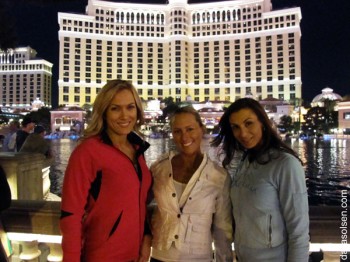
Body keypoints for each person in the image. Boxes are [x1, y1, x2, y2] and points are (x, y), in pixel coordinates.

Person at [60, 79, 152, 262]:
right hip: (102, 256)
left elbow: (140, 201)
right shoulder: (88, 152)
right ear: (104, 112)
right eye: (115, 108)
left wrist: (147, 237)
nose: (124, 115)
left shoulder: (137, 150)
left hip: (134, 256)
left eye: (130, 107)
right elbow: (71, 213)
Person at [211, 98, 309, 262]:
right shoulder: (244, 161)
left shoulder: (285, 164)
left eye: (248, 123)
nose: (242, 133)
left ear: (262, 122)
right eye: (236, 127)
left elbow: (299, 231)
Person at [149, 106, 233, 262]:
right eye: (178, 131)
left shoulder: (219, 177)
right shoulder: (159, 168)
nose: (184, 137)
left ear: (201, 129)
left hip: (199, 258)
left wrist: (224, 259)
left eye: (190, 129)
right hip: (160, 257)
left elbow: (222, 229)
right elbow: (144, 209)